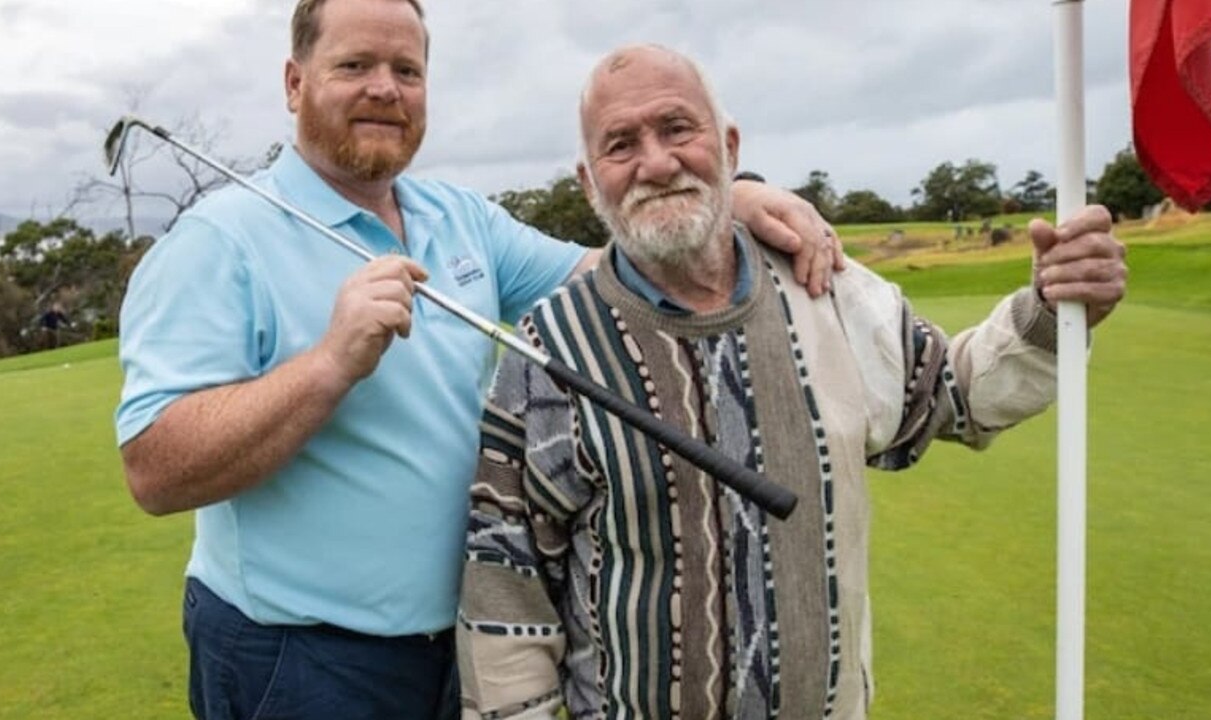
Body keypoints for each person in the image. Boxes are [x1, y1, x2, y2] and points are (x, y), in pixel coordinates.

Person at [113, 2, 839, 718]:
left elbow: (616, 278)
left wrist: (716, 197)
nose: (384, 89)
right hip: (300, 660)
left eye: (406, 69)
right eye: (354, 65)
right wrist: (329, 365)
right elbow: (155, 468)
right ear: (295, 83)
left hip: (459, 652)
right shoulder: (216, 241)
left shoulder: (457, 219)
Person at [456, 44, 1127, 720]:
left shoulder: (826, 291)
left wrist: (1053, 308)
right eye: (620, 144)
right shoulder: (547, 351)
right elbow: (504, 585)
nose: (655, 163)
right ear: (587, 181)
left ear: (727, 143)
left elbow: (953, 394)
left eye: (677, 128)